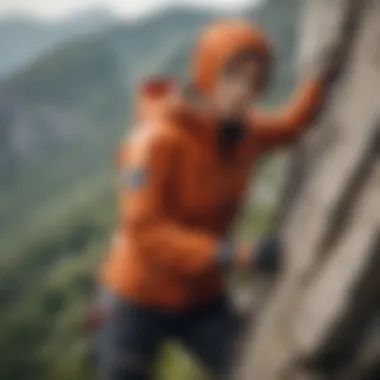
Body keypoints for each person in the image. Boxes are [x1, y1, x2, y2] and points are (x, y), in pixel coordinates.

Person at [90, 20, 340, 380]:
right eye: (233, 75)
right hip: (135, 296)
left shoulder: (244, 134)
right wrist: (233, 253)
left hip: (200, 296)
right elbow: (146, 232)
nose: (243, 91)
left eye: (255, 81)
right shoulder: (156, 141)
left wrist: (322, 79)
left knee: (253, 369)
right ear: (207, 73)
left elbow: (290, 125)